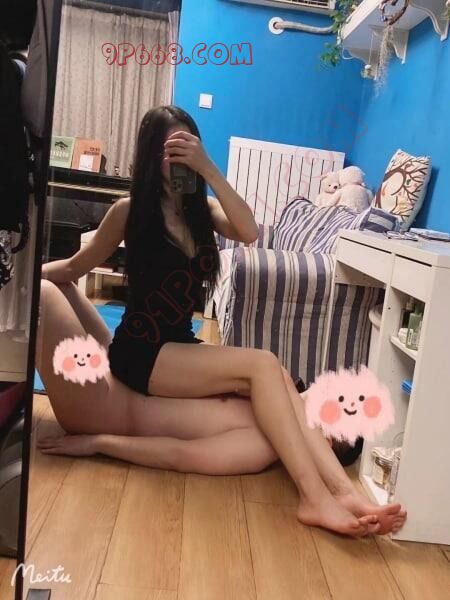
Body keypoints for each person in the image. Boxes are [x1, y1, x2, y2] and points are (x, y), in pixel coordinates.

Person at [36, 105, 406, 537]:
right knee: (263, 364)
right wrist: (21, 276)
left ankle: (340, 492)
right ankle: (315, 498)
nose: (178, 158)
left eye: (187, 147)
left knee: (276, 376)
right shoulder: (129, 211)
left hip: (176, 347)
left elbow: (249, 232)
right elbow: (75, 267)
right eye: (170, 149)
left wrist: (208, 168)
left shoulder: (203, 211)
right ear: (150, 154)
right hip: (141, 352)